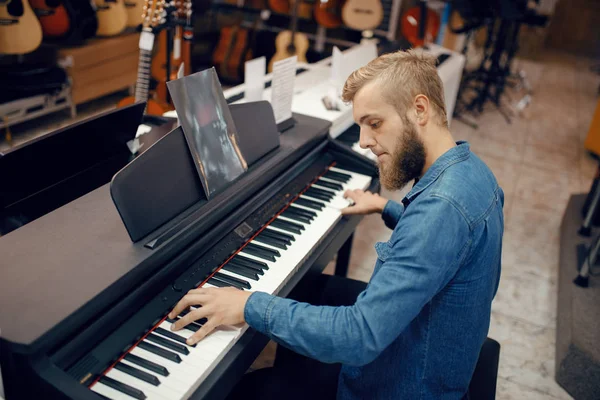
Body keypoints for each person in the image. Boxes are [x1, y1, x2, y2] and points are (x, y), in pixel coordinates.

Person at [168, 49, 504, 399]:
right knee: (308, 289)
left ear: (420, 109)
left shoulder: (439, 210)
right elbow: (450, 242)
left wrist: (248, 304)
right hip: (430, 352)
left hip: (400, 385)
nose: (362, 141)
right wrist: (386, 208)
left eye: (374, 123)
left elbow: (359, 337)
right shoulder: (471, 172)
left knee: (242, 390)